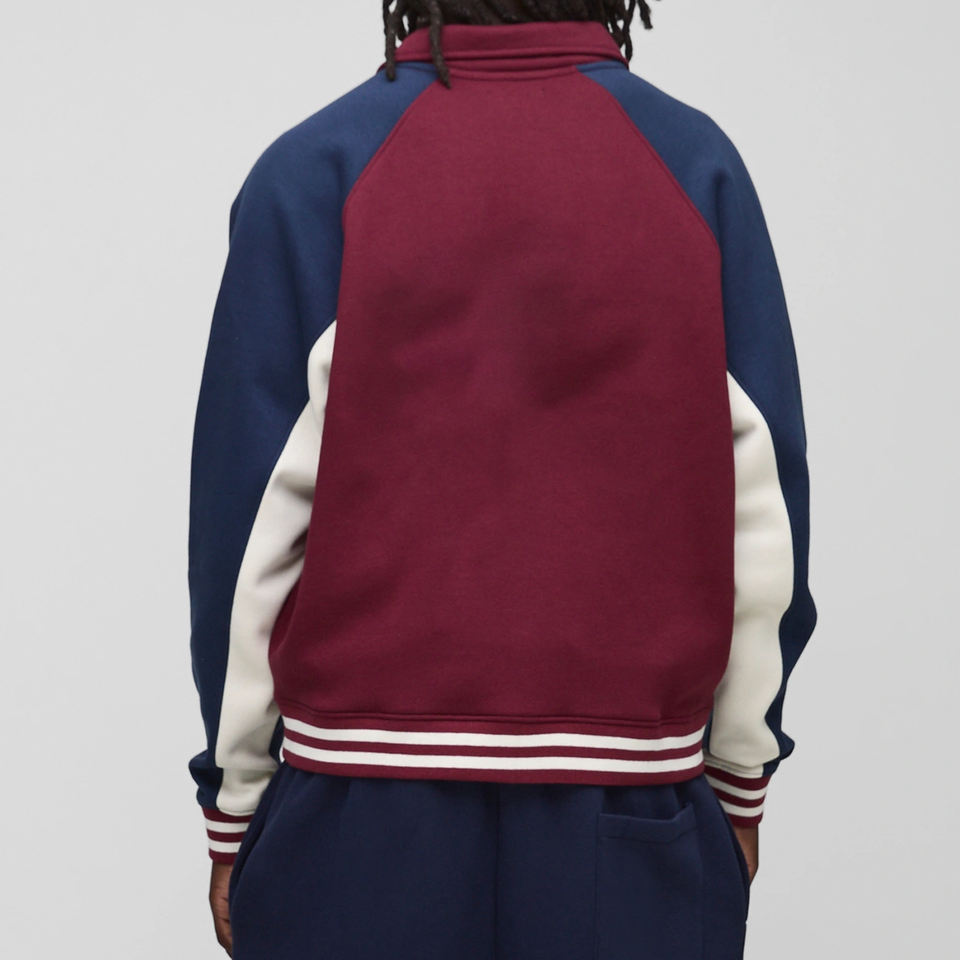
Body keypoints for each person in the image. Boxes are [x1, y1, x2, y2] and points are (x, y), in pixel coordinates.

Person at [187, 2, 818, 957]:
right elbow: (766, 514)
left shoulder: (317, 170)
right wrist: (739, 772)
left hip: (355, 818)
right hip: (632, 807)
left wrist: (234, 799)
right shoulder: (693, 166)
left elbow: (244, 526)